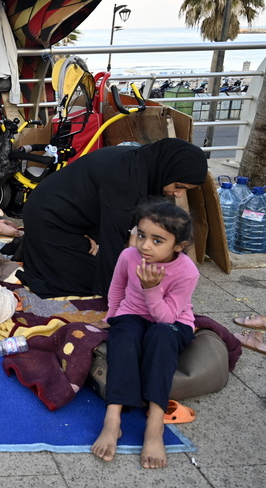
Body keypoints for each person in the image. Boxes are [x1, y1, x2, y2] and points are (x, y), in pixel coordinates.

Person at [18, 138, 207, 298]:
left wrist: (94, 233)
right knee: (89, 279)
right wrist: (115, 295)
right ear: (168, 169)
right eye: (178, 185)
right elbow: (113, 242)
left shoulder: (145, 164)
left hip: (70, 215)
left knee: (103, 263)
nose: (179, 194)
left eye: (185, 190)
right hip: (47, 216)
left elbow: (109, 209)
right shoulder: (127, 178)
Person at [90, 201, 198, 469]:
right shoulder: (129, 256)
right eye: (141, 235)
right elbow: (116, 289)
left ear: (178, 246)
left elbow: (166, 318)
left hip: (171, 322)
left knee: (161, 336)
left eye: (157, 240)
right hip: (133, 315)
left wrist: (152, 288)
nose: (145, 246)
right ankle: (113, 420)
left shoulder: (187, 271)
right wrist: (110, 318)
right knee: (124, 337)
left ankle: (154, 425)